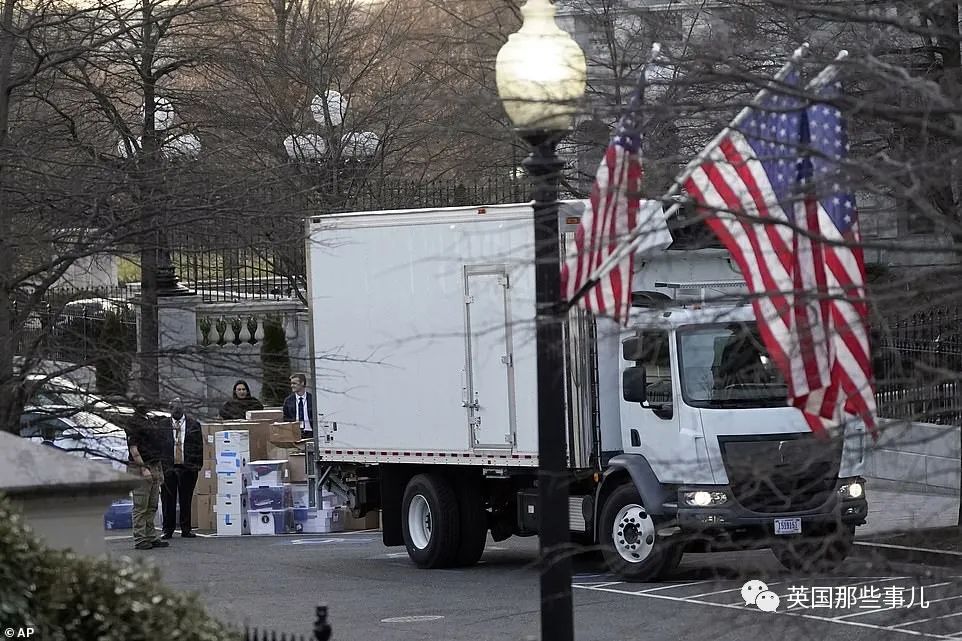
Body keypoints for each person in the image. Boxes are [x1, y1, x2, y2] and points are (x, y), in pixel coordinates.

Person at [125, 399, 169, 550]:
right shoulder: (133, 423)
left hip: (154, 464)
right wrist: (143, 469)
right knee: (141, 506)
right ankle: (140, 538)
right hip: (140, 468)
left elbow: (156, 448)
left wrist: (159, 470)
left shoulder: (149, 420)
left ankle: (151, 536)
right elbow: (134, 449)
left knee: (152, 505)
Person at [161, 398, 203, 538]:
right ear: (169, 409)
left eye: (179, 407)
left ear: (183, 408)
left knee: (186, 498)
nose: (176, 410)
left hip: (187, 467)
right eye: (173, 408)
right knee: (168, 499)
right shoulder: (163, 425)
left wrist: (197, 465)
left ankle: (186, 528)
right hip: (169, 467)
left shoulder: (193, 424)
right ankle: (168, 529)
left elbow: (199, 446)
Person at [282, 373, 314, 438]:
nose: (292, 386)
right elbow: (285, 418)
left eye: (294, 383)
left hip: (311, 433)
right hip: (295, 434)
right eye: (291, 383)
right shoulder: (288, 401)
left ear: (302, 383)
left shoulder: (312, 399)